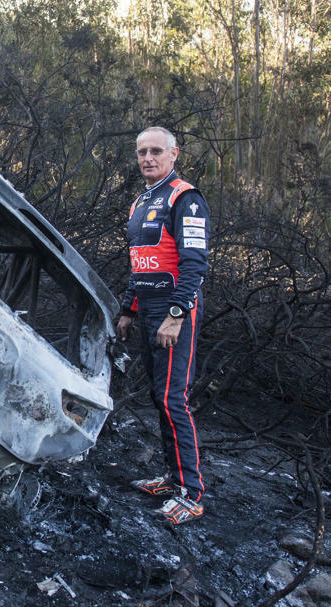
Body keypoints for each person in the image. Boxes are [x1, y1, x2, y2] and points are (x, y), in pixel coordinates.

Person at [116, 126, 209, 525]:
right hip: (149, 308)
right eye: (142, 152)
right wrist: (129, 308)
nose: (148, 158)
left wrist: (175, 315)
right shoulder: (141, 200)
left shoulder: (184, 198)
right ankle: (173, 480)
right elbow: (142, 262)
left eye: (156, 151)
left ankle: (191, 494)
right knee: (159, 397)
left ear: (174, 154)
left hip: (175, 314)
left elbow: (195, 264)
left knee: (174, 399)